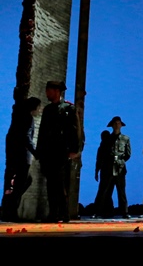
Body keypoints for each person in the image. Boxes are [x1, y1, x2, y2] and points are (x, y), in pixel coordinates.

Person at [36, 80, 80, 223]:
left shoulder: (68, 108)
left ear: (56, 91)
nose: (47, 93)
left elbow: (74, 130)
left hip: (61, 151)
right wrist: (39, 151)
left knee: (59, 183)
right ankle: (54, 213)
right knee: (51, 183)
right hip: (48, 151)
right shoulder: (48, 109)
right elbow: (42, 132)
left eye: (49, 91)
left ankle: (63, 213)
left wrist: (74, 149)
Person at [2, 96, 41, 222]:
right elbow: (26, 137)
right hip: (22, 157)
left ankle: (7, 210)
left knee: (12, 184)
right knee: (19, 184)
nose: (39, 110)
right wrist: (35, 152)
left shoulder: (18, 117)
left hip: (13, 156)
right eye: (38, 107)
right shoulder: (27, 118)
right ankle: (11, 212)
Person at [96, 116, 131, 218]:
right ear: (112, 125)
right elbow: (101, 155)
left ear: (121, 125)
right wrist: (98, 169)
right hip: (107, 169)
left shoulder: (125, 139)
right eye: (115, 123)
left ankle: (125, 212)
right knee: (104, 191)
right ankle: (98, 212)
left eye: (118, 123)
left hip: (120, 169)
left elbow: (128, 154)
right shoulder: (107, 139)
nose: (116, 125)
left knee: (121, 192)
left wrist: (120, 161)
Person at [91, 130, 113, 217]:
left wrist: (96, 171)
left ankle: (102, 211)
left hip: (108, 171)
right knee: (105, 192)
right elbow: (98, 160)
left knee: (104, 192)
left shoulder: (106, 147)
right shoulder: (102, 147)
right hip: (105, 171)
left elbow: (98, 161)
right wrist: (96, 171)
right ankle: (104, 211)